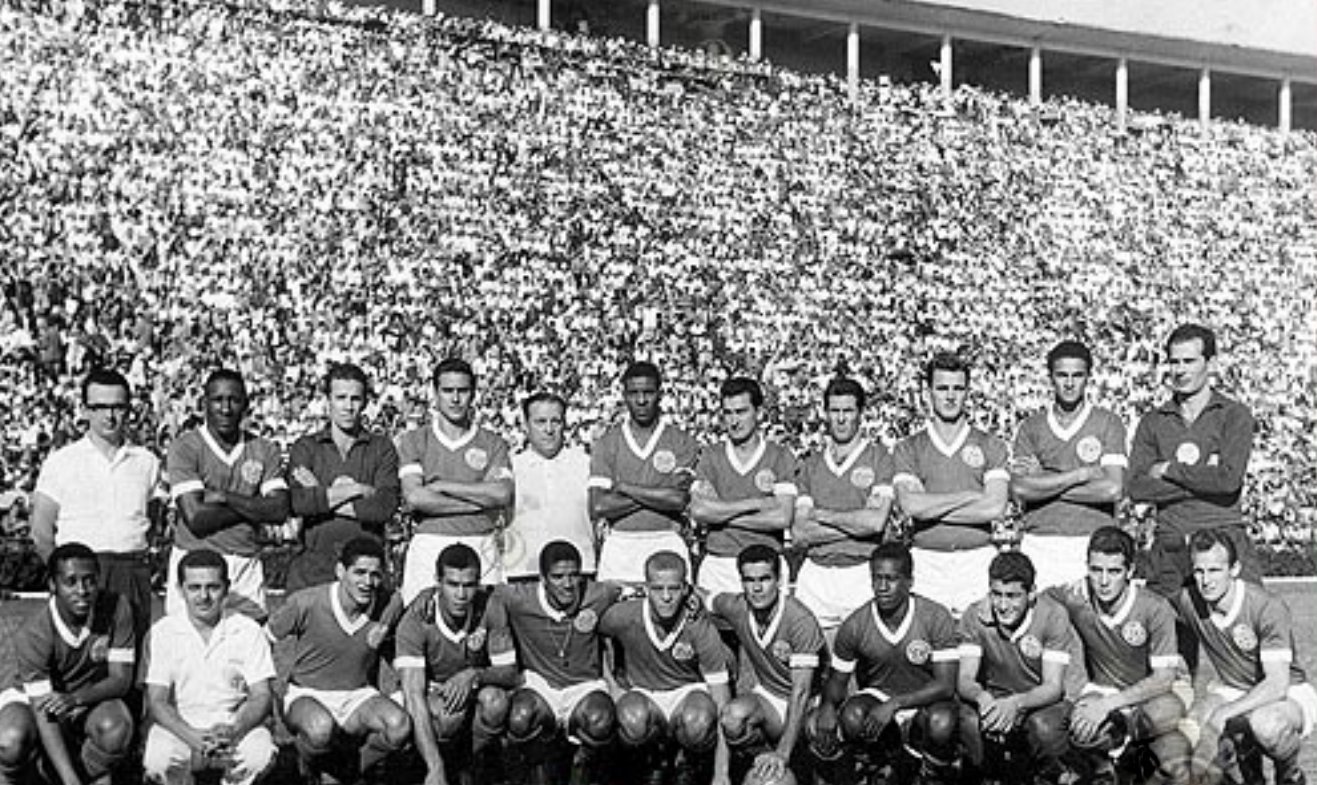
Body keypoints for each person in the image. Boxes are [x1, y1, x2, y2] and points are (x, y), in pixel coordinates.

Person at [1042, 526, 1190, 784]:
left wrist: (1108, 706)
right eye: (1096, 570)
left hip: (1151, 696)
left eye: (1114, 571)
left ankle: (1131, 758)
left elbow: (1164, 679)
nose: (1103, 581)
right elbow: (1038, 599)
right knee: (1084, 727)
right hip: (1104, 690)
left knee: (1171, 752)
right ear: (1086, 567)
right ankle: (1101, 769)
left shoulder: (1154, 608)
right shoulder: (1077, 597)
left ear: (1130, 571)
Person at [31, 368, 163, 650]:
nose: (110, 415)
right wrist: (65, 578)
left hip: (131, 572)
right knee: (82, 665)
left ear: (129, 410)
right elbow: (41, 531)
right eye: (100, 407)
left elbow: (152, 521)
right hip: (83, 575)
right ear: (85, 410)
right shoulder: (61, 462)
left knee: (133, 665)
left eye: (118, 406)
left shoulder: (146, 461)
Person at [807, 542, 960, 785]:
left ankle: (932, 776)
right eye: (876, 578)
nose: (882, 587)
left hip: (925, 699)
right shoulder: (856, 624)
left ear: (909, 582)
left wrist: (895, 704)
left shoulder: (935, 616)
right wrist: (827, 707)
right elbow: (838, 680)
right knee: (852, 715)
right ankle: (881, 767)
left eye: (891, 579)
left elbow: (945, 686)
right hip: (879, 695)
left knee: (941, 722)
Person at [1173, 529, 1317, 785]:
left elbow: (1276, 683)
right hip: (1232, 687)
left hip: (1286, 692)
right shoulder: (1188, 600)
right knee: (1193, 729)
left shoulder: (1266, 606)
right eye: (1199, 571)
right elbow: (1152, 611)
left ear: (1235, 568)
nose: (1206, 581)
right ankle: (1248, 776)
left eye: (1215, 570)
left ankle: (1289, 772)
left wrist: (1223, 714)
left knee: (1266, 725)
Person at [1128, 324, 1259, 597]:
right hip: (1171, 549)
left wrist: (1169, 470)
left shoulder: (1234, 415)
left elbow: (1228, 481)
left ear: (1210, 363)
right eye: (1174, 361)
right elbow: (1137, 488)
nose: (1180, 370)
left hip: (1225, 541)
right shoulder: (1153, 421)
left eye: (1189, 361)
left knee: (1244, 631)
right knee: (1169, 637)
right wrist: (1205, 476)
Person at [265, 537, 410, 783]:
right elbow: (264, 640)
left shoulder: (387, 604)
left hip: (357, 695)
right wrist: (271, 692)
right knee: (320, 728)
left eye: (375, 575)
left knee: (399, 725)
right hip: (307, 693)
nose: (367, 582)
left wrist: (387, 627)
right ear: (341, 571)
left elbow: (401, 611)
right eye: (360, 573)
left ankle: (349, 771)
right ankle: (307, 765)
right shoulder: (307, 602)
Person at [483, 540, 626, 785]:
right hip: (541, 684)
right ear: (543, 578)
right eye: (558, 577)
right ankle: (541, 766)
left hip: (584, 685)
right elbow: (489, 593)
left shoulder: (597, 593)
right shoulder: (520, 598)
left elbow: (627, 592)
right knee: (520, 717)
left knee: (600, 719)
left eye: (574, 576)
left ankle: (581, 770)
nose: (568, 584)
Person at [0, 543, 135, 785]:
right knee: (10, 739)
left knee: (116, 727)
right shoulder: (35, 631)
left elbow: (121, 680)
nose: (82, 590)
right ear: (53, 585)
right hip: (32, 700)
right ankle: (32, 776)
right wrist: (69, 779)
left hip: (81, 694)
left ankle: (87, 774)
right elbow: (44, 710)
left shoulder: (117, 607)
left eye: (89, 580)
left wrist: (75, 699)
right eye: (70, 582)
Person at [143, 548, 277, 785]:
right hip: (181, 727)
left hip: (233, 724)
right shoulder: (164, 632)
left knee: (259, 755)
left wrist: (234, 730)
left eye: (212, 587)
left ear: (226, 587)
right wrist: (192, 737)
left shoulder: (248, 630)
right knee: (158, 759)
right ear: (179, 590)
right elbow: (157, 700)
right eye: (194, 587)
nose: (203, 597)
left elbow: (261, 694)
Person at [599, 550, 732, 785]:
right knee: (632, 719)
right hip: (645, 692)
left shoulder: (698, 626)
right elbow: (592, 637)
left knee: (698, 722)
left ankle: (689, 762)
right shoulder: (624, 615)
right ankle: (652, 762)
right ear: (647, 588)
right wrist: (611, 684)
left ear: (685, 589)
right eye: (658, 589)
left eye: (674, 588)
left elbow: (722, 701)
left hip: (686, 693)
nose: (667, 597)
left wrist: (721, 773)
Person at [166, 369, 289, 621]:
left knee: (249, 650)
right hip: (194, 561)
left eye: (234, 400)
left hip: (244, 564)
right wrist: (254, 506)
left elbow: (278, 510)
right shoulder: (185, 446)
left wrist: (224, 496)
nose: (225, 408)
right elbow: (197, 518)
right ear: (204, 404)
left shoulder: (264, 449)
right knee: (190, 650)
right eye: (218, 400)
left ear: (246, 404)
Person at [892, 352, 1010, 616]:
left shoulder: (991, 444)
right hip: (926, 560)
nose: (950, 396)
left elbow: (994, 508)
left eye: (958, 388)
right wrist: (970, 495)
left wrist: (932, 506)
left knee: (978, 650)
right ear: (928, 392)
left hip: (977, 559)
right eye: (942, 388)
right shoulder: (908, 448)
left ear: (968, 392)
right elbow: (911, 506)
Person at [395, 544, 517, 785]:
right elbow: (413, 694)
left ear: (478, 583)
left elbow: (510, 673)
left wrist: (473, 675)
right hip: (432, 693)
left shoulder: (490, 607)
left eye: (469, 585)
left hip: (472, 687)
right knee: (448, 716)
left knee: (496, 702)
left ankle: (471, 764)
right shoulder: (417, 618)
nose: (461, 595)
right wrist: (435, 767)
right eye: (452, 584)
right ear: (437, 582)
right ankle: (435, 767)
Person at [1010, 341, 1127, 590]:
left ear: (1088, 378)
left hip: (1093, 543)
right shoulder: (1031, 427)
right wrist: (1082, 474)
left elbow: (1112, 490)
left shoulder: (1108, 423)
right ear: (1050, 377)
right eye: (1062, 375)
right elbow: (1020, 490)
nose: (1070, 383)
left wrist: (1044, 479)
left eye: (1077, 375)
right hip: (1040, 541)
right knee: (1042, 626)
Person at [397, 358, 514, 603]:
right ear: (435, 394)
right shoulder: (415, 440)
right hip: (430, 542)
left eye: (462, 391)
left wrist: (442, 486)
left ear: (473, 394)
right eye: (448, 391)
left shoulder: (492, 442)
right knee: (424, 620)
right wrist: (477, 502)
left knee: (483, 623)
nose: (455, 399)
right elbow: (416, 497)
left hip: (480, 541)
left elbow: (502, 494)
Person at [956, 551, 1074, 784]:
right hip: (996, 697)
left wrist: (1016, 704)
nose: (1002, 605)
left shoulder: (1053, 615)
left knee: (1043, 727)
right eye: (996, 594)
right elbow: (965, 679)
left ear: (1031, 594)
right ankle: (986, 774)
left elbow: (1053, 687)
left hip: (1040, 701)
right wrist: (982, 697)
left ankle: (1055, 773)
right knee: (966, 719)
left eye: (1012, 596)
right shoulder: (975, 615)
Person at [712, 545, 825, 785]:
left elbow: (801, 691)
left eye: (765, 579)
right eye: (749, 580)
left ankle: (814, 772)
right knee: (732, 718)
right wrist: (690, 599)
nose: (757, 588)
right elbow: (705, 597)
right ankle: (763, 761)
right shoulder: (737, 606)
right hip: (770, 698)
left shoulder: (800, 620)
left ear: (779, 580)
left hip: (808, 703)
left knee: (822, 730)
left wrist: (783, 753)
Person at [793, 377, 894, 644]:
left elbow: (874, 522)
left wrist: (823, 515)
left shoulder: (879, 458)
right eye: (834, 411)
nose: (840, 419)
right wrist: (855, 525)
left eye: (848, 411)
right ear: (825, 413)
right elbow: (801, 533)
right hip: (816, 574)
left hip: (861, 573)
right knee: (817, 666)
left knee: (865, 666)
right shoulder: (811, 465)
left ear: (861, 413)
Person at [285, 363, 400, 591]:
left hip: (367, 570)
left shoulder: (381, 447)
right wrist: (358, 489)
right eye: (341, 398)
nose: (348, 407)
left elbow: (383, 508)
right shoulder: (306, 447)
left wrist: (321, 493)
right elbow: (298, 503)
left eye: (355, 399)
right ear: (328, 401)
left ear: (365, 402)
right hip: (314, 568)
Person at [588, 361, 699, 584]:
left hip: (667, 541)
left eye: (648, 392)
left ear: (660, 393)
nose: (641, 401)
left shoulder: (681, 441)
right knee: (618, 617)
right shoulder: (607, 442)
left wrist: (625, 487)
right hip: (620, 545)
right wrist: (661, 492)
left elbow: (678, 500)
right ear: (624, 395)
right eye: (634, 393)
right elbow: (599, 505)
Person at [689, 376, 797, 596]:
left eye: (741, 412)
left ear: (758, 413)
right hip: (719, 564)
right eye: (728, 413)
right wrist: (756, 503)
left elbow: (782, 517)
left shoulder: (780, 456)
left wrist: (721, 515)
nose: (734, 421)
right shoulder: (711, 456)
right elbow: (699, 511)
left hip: (765, 565)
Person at [508, 392, 594, 581]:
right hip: (523, 572)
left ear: (564, 424)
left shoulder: (586, 465)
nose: (548, 429)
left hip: (579, 571)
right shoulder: (511, 468)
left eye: (555, 421)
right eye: (540, 422)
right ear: (526, 425)